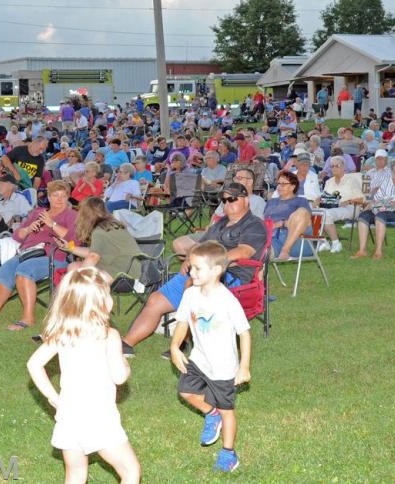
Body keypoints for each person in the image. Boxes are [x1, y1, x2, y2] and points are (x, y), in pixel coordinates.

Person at [121, 182, 266, 358]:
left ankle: (183, 342)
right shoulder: (220, 224)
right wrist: (190, 258)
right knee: (155, 299)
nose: (227, 203)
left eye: (232, 199)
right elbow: (199, 245)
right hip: (200, 272)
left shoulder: (254, 225)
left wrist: (212, 262)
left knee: (190, 288)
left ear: (246, 200)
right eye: (224, 200)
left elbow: (244, 251)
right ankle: (127, 344)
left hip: (229, 275)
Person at [26, 266, 140, 484]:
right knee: (130, 471)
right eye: (107, 293)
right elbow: (119, 377)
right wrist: (125, 365)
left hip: (69, 415)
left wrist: (54, 398)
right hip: (99, 417)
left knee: (76, 475)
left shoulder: (63, 334)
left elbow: (33, 364)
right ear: (104, 303)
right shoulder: (109, 335)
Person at [170, 241, 251, 473]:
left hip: (223, 367)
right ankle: (210, 413)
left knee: (228, 410)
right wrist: (175, 347)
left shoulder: (227, 301)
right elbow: (182, 321)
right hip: (199, 359)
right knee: (185, 391)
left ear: (216, 270)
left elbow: (244, 333)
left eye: (197, 268)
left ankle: (228, 453)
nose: (191, 271)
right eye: (190, 266)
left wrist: (243, 367)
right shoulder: (191, 294)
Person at [0, 181, 77, 331]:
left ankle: (28, 318)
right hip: (28, 253)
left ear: (68, 197)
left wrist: (52, 224)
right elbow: (18, 236)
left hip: (55, 256)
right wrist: (28, 229)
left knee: (24, 270)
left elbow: (74, 241)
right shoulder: (38, 213)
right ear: (49, 197)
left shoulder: (71, 215)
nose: (59, 199)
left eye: (63, 196)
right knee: (6, 270)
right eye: (56, 195)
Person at [351, 158, 395, 260]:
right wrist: (369, 206)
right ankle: (362, 250)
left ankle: (378, 251)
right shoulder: (387, 181)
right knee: (363, 216)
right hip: (382, 208)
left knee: (381, 216)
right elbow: (376, 199)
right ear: (392, 170)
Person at [56, 197, 143, 280]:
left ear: (85, 215)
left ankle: (81, 289)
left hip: (123, 273)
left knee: (77, 273)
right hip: (130, 268)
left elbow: (93, 257)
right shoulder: (110, 225)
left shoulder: (99, 231)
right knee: (73, 267)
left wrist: (78, 278)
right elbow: (93, 252)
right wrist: (69, 247)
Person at [315, 156, 365, 253]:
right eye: (332, 166)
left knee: (325, 214)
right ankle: (323, 242)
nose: (334, 168)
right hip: (331, 207)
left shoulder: (351, 180)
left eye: (337, 166)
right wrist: (318, 200)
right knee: (314, 212)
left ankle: (336, 243)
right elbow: (325, 197)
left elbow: (362, 199)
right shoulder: (329, 182)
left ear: (343, 167)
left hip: (350, 207)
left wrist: (348, 201)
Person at [265, 171, 313, 260]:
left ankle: (285, 250)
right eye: (278, 184)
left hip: (295, 240)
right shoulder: (271, 202)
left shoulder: (300, 201)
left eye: (283, 184)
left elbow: (305, 220)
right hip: (270, 238)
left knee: (302, 211)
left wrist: (282, 223)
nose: (279, 187)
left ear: (293, 186)